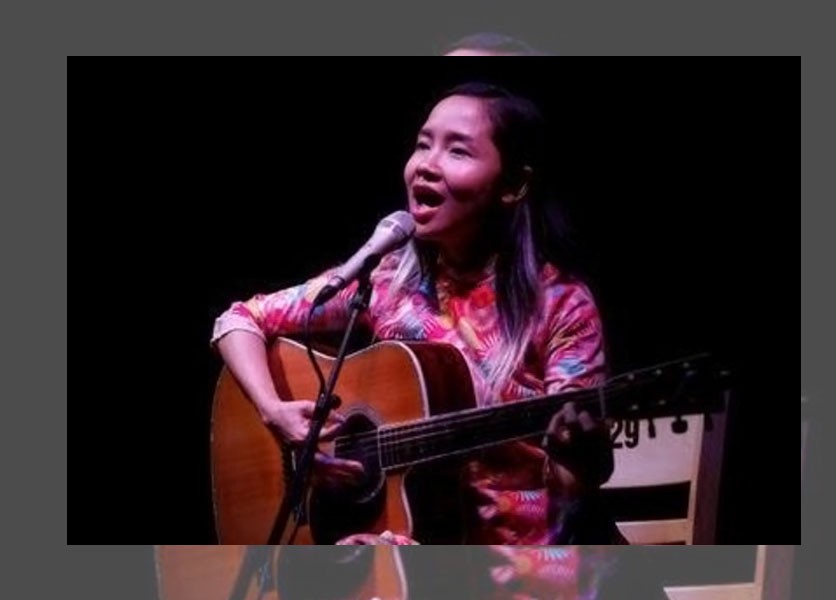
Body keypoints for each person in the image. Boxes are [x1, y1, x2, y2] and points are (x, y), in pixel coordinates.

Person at [212, 81, 622, 597]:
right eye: (423, 142)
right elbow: (237, 320)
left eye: (458, 149)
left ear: (514, 185)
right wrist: (276, 412)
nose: (426, 163)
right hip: (417, 554)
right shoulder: (386, 284)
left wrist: (581, 456)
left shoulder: (561, 304)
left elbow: (573, 488)